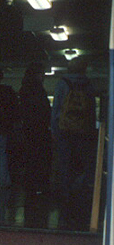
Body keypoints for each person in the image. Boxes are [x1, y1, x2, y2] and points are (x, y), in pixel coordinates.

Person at [51, 57, 97, 208]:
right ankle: (81, 191)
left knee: (64, 160)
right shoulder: (88, 85)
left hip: (64, 128)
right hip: (83, 130)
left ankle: (65, 193)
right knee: (83, 161)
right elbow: (91, 110)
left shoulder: (62, 83)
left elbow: (56, 108)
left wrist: (54, 128)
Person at [17, 62, 51, 194]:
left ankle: (31, 185)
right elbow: (44, 110)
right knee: (40, 158)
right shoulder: (38, 90)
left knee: (31, 157)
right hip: (40, 129)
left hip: (29, 128)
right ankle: (39, 184)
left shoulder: (24, 89)